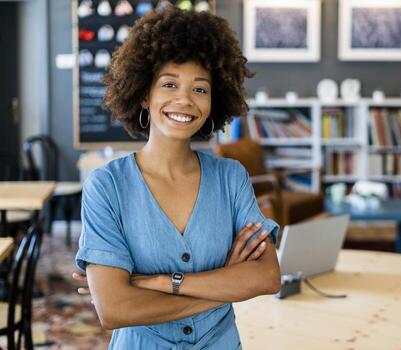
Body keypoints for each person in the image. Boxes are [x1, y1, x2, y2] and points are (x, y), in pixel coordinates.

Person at [73, 6, 281, 349]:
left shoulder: (231, 177)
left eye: (200, 89)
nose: (184, 100)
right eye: (169, 84)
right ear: (144, 94)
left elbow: (267, 276)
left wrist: (158, 282)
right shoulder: (106, 185)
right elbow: (113, 309)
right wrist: (224, 286)